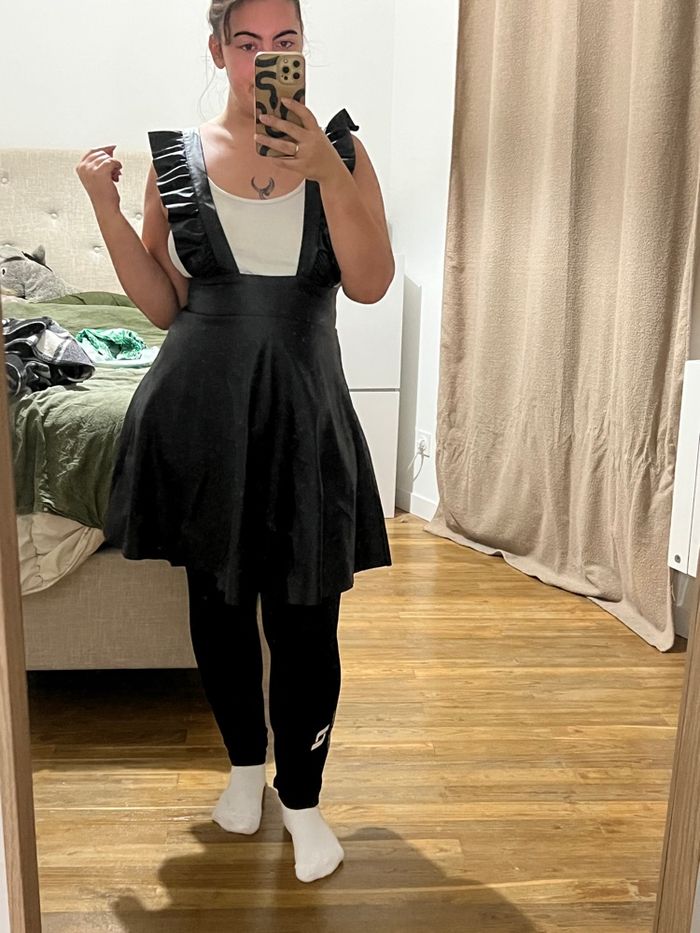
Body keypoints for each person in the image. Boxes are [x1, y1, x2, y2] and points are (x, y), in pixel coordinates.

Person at [76, 0, 394, 884]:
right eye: (247, 43)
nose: (265, 59)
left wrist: (326, 169)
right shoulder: (176, 160)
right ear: (216, 51)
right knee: (217, 605)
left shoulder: (341, 150)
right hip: (200, 413)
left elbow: (370, 282)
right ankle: (245, 766)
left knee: (306, 616)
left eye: (285, 42)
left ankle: (304, 798)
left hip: (303, 411)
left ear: (303, 49)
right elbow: (163, 305)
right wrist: (105, 207)